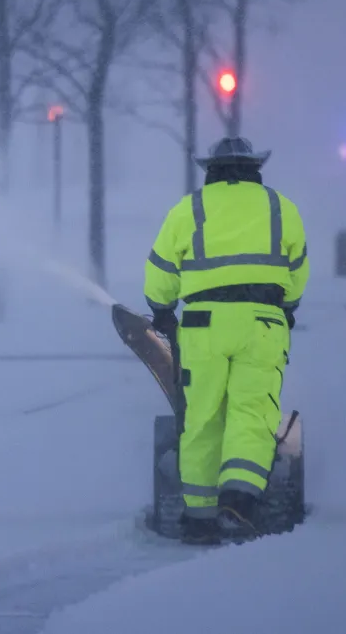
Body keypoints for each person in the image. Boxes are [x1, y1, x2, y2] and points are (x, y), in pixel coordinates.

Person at [144, 136, 307, 544]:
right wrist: (287, 304)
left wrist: (161, 309)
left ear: (211, 171)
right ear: (255, 168)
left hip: (203, 324)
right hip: (262, 323)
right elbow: (298, 268)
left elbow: (161, 268)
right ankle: (239, 497)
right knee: (252, 411)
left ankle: (199, 518)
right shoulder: (279, 207)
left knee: (201, 417)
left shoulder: (190, 209)